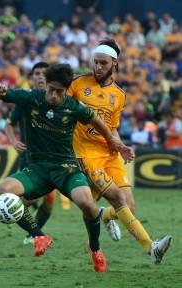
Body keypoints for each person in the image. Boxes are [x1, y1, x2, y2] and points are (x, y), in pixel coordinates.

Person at [0, 63, 129, 272]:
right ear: (47, 86)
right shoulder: (30, 97)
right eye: (51, 89)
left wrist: (111, 140)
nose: (54, 95)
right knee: (3, 192)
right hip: (38, 169)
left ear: (66, 90)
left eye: (59, 91)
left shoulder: (73, 106)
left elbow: (97, 121)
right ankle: (39, 236)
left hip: (66, 168)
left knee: (87, 204)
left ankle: (95, 249)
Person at [67, 37, 172, 264]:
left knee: (129, 206)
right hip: (87, 154)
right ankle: (151, 248)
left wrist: (121, 146)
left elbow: (112, 128)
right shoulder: (77, 84)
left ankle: (103, 215)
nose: (98, 67)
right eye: (95, 62)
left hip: (110, 153)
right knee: (117, 196)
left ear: (114, 63)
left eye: (103, 63)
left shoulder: (119, 95)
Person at [4, 62, 58, 246]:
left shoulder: (57, 99)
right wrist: (13, 141)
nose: (41, 76)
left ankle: (30, 233)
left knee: (50, 199)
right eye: (37, 73)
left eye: (45, 73)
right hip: (30, 158)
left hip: (51, 158)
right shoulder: (25, 99)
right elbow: (8, 123)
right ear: (32, 78)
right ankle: (13, 212)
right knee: (30, 198)